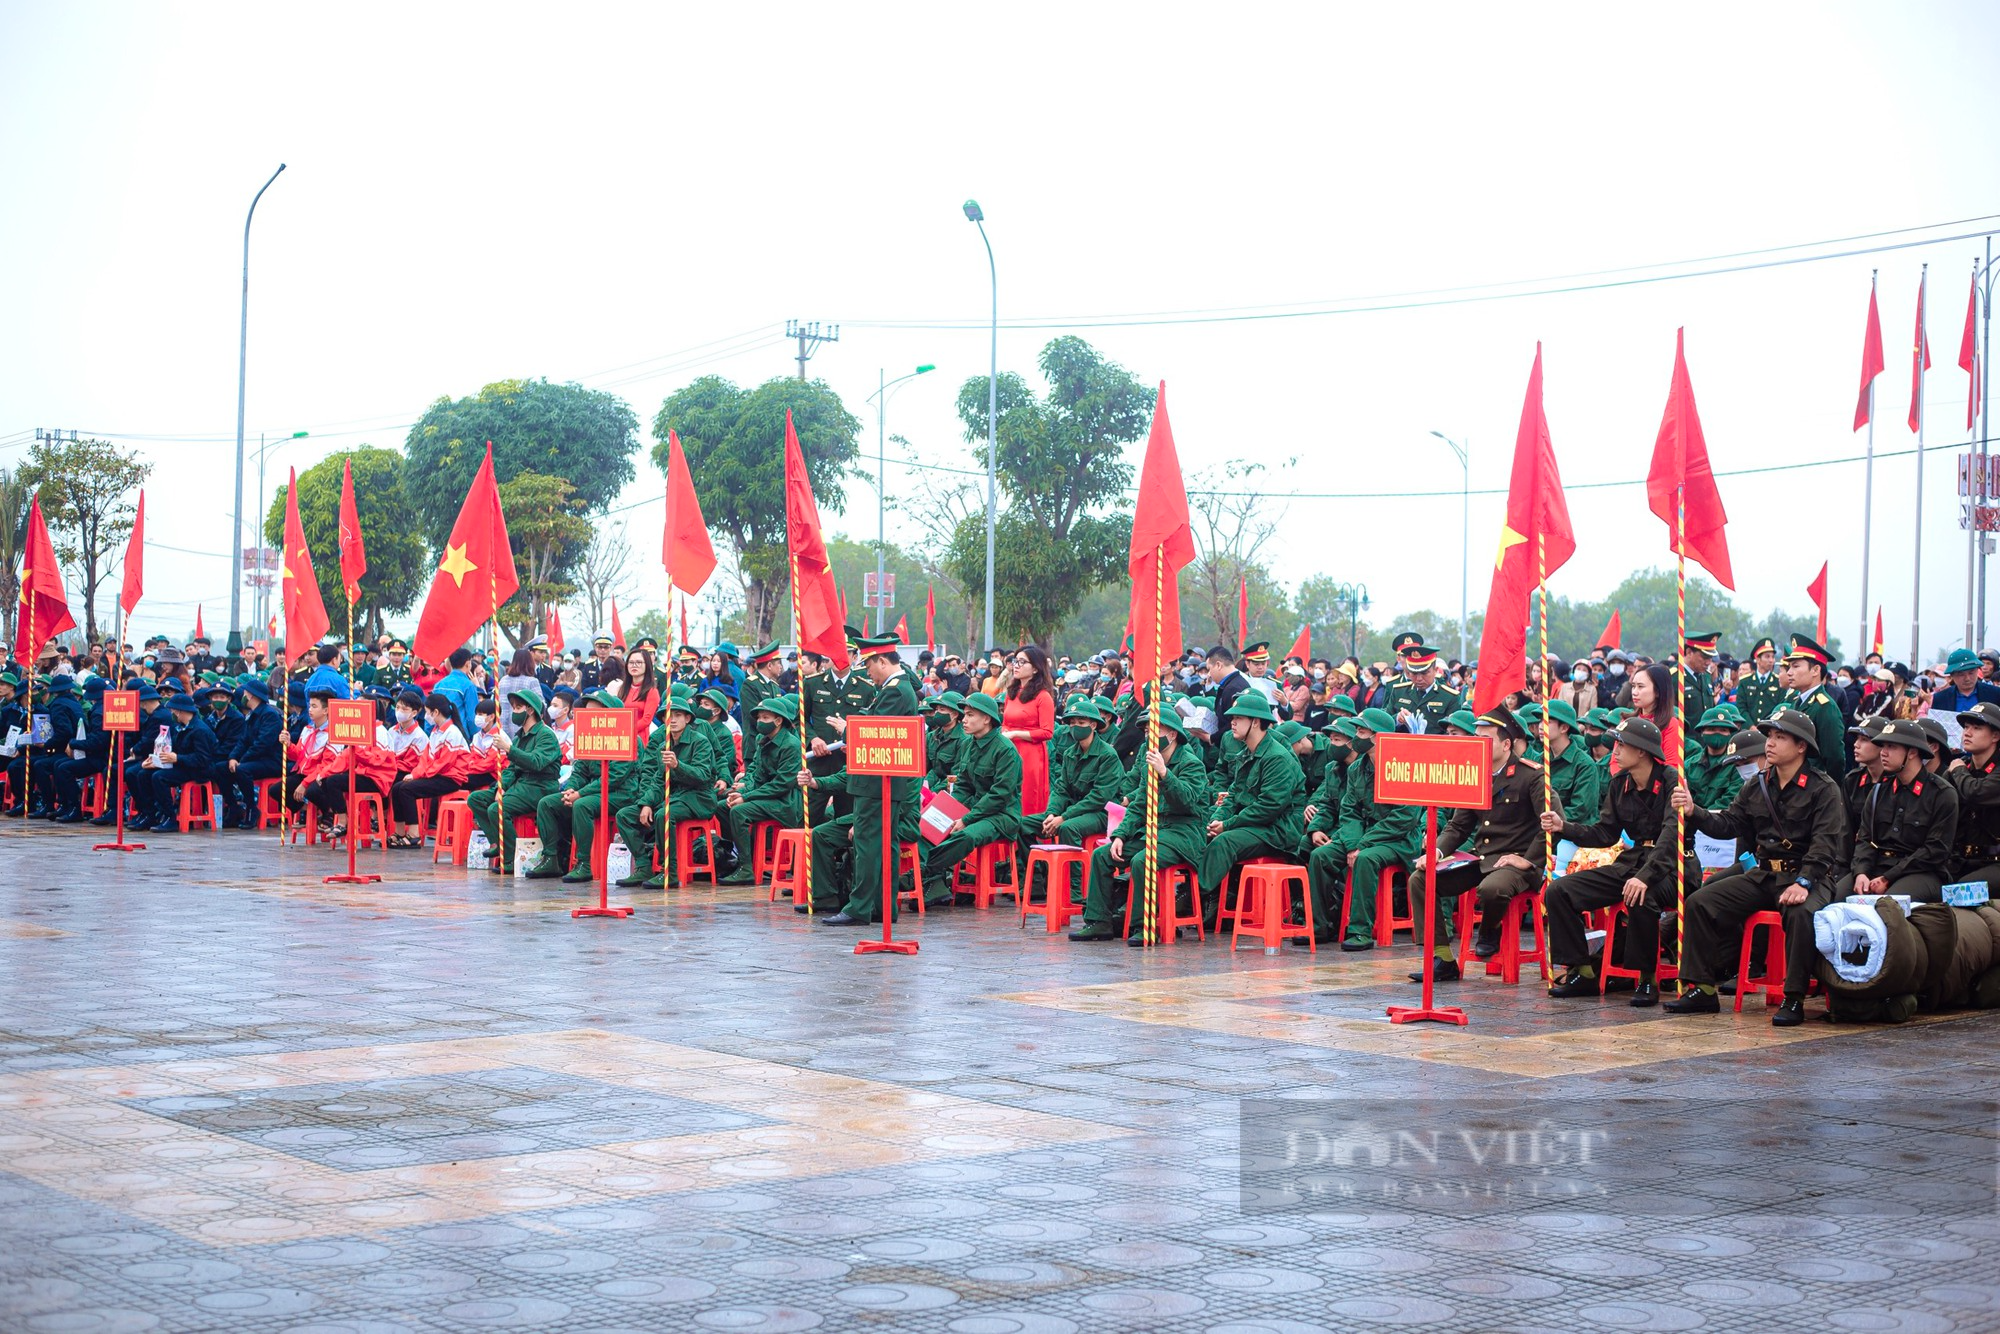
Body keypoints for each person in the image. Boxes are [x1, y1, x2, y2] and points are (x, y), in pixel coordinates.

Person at [1665, 707, 1851, 1026]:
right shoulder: (1757, 785)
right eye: (1770, 737)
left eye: (1780, 738)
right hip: (1765, 874)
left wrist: (1803, 883)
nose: (1770, 744)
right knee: (1700, 902)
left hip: (1808, 876)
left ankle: (1793, 998)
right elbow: (1728, 824)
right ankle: (1703, 989)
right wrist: (1695, 811)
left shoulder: (1823, 788)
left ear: (1801, 746)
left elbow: (1825, 847)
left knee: (1800, 913)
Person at [1542, 716, 1701, 1007]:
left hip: (1674, 865)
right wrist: (1564, 826)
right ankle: (1583, 970)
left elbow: (1671, 837)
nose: (1615, 749)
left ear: (1642, 751)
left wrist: (1645, 876)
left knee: (1641, 895)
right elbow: (1605, 833)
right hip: (1633, 861)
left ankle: (1646, 977)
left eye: (1622, 744)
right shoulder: (1620, 784)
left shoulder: (1671, 781)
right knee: (1559, 891)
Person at [1412, 708, 1556, 978]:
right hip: (1483, 858)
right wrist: (1437, 852)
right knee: (1421, 878)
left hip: (1519, 862)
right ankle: (1442, 957)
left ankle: (1491, 928)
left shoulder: (1532, 775)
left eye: (1485, 738)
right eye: (1475, 736)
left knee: (1492, 889)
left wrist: (1528, 859)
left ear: (1505, 744)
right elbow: (1458, 825)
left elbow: (1551, 824)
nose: (1477, 743)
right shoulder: (1475, 772)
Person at [1069, 708, 1212, 942]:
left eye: (1154, 730)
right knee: (1103, 855)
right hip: (1154, 832)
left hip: (1183, 835)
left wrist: (1165, 774)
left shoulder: (1190, 764)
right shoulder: (1148, 756)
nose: (1148, 736)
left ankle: (1143, 926)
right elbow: (1140, 803)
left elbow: (1186, 802)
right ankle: (1099, 921)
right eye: (1146, 731)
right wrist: (1121, 835)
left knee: (1142, 861)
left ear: (1173, 734)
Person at [818, 636, 924, 925]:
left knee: (867, 844)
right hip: (884, 782)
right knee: (884, 845)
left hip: (876, 782)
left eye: (868, 665)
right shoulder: (899, 688)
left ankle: (859, 907)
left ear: (882, 660)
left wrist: (846, 729)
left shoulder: (895, 691)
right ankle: (881, 906)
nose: (867, 672)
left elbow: (878, 733)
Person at [1197, 692, 1305, 928]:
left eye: (1239, 718)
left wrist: (1228, 824)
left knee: (1225, 841)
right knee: (1203, 832)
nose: (1232, 722)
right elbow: (1234, 794)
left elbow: (1268, 808)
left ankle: (1197, 896)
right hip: (1255, 825)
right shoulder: (1247, 752)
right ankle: (1209, 896)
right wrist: (1217, 820)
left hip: (1278, 830)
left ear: (1255, 722)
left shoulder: (1277, 757)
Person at [913, 691, 1022, 910]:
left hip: (1001, 816)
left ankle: (925, 874)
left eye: (970, 715)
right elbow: (962, 784)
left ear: (987, 719)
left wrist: (966, 818)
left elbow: (999, 795)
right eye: (964, 714)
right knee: (927, 826)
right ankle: (933, 883)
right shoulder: (968, 744)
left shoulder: (1006, 750)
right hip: (973, 809)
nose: (964, 720)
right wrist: (947, 809)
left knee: (964, 835)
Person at [525, 691, 639, 881]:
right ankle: (551, 858)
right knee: (547, 803)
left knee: (582, 805)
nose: (589, 717)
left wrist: (580, 793)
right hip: (592, 791)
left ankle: (584, 863)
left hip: (621, 793)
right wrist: (572, 788)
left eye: (594, 713)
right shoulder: (589, 736)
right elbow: (580, 770)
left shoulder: (627, 737)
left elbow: (614, 777)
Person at [616, 688, 722, 889]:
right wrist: (646, 803)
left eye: (678, 715)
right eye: (667, 716)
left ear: (688, 718)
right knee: (625, 815)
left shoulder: (700, 742)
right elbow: (658, 780)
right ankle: (643, 865)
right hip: (673, 796)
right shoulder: (663, 746)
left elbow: (703, 776)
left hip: (699, 798)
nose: (672, 720)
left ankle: (670, 872)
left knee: (664, 815)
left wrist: (678, 766)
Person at [1845, 718, 1957, 903]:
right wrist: (1861, 872)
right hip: (1877, 867)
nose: (1883, 752)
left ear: (1912, 752)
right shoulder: (1880, 790)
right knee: (1836, 898)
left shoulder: (1942, 793)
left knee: (1888, 905)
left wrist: (1889, 877)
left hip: (1922, 873)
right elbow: (1865, 839)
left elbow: (1935, 851)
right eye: (1882, 746)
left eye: (1891, 746)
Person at [1025, 695, 1125, 872]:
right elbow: (1061, 789)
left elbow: (1099, 797)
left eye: (1081, 722)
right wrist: (1052, 813)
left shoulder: (1107, 755)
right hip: (1073, 810)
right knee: (1023, 825)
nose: (1075, 726)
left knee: (1068, 828)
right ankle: (1039, 879)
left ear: (1093, 725)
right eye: (1072, 722)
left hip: (1102, 813)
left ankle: (1074, 890)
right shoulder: (1070, 753)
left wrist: (1063, 817)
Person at [468, 688, 562, 874]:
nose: (514, 712)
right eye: (512, 707)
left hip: (540, 786)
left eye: (518, 707)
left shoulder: (546, 735)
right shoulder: (520, 736)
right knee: (476, 799)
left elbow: (536, 762)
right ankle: (497, 842)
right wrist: (501, 787)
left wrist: (509, 749)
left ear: (530, 710)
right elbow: (512, 769)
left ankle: (510, 857)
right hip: (521, 785)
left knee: (497, 809)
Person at [718, 694, 806, 886]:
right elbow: (757, 774)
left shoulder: (791, 745)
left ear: (778, 720)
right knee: (722, 806)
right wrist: (742, 792)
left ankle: (747, 868)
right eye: (759, 718)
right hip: (765, 796)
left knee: (739, 811)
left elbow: (782, 785)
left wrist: (746, 797)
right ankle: (739, 855)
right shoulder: (762, 739)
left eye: (765, 718)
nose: (760, 722)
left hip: (785, 802)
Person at [387, 693, 469, 846]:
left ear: (435, 712)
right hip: (439, 774)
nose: (426, 716)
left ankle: (413, 834)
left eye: (427, 712)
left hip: (451, 778)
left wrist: (420, 775)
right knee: (397, 788)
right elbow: (426, 758)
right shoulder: (436, 731)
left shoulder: (452, 732)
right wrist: (415, 773)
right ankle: (399, 832)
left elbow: (445, 763)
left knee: (406, 790)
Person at [135, 693, 220, 833]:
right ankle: (150, 813)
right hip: (183, 765)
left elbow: (203, 759)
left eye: (173, 710)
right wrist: (156, 760)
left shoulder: (200, 730)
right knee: (143, 774)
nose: (171, 714)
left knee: (159, 777)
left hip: (200, 770)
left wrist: (177, 759)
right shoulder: (180, 727)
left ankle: (170, 817)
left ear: (180, 711)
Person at [1776, 634, 1848, 778]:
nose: (1789, 672)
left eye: (1795, 666)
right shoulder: (1797, 701)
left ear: (1815, 670)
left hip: (1813, 787)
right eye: (1789, 667)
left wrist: (1829, 794)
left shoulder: (1826, 707)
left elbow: (1834, 759)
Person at [1947, 700, 2000, 892]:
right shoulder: (1961, 767)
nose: (1967, 733)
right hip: (1961, 860)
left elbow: (1976, 793)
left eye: (1977, 728)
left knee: (1961, 890)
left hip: (1995, 863)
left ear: (1995, 736)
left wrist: (1959, 772)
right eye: (1966, 727)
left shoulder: (1959, 769)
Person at [219, 677, 284, 829]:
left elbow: (263, 744)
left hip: (271, 761)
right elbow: (243, 740)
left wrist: (242, 760)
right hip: (254, 759)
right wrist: (233, 757)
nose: (244, 696)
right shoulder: (252, 715)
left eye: (246, 692)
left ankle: (251, 808)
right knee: (220, 768)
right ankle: (234, 807)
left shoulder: (269, 715)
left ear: (252, 695)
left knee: (242, 770)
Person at [1002, 645, 1056, 818]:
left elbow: (1047, 732)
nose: (1016, 665)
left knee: (1027, 797)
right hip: (1009, 749)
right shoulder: (1011, 693)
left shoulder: (1043, 696)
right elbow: (1005, 723)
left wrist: (1017, 734)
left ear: (1035, 668)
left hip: (1030, 754)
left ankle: (1028, 838)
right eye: (1015, 661)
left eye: (1022, 662)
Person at [1384, 641, 1460, 733]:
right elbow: (1385, 725)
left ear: (1435, 670)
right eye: (1414, 673)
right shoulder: (1398, 691)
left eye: (1424, 673)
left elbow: (1453, 732)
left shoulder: (1450, 697)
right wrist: (1397, 719)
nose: (1419, 679)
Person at [494, 648, 544, 736]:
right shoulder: (532, 681)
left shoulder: (503, 681)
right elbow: (540, 705)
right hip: (524, 729)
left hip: (503, 727)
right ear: (530, 663)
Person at [1932, 647, 2000, 712]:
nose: (1967, 678)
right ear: (1952, 675)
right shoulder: (1940, 698)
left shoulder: (1995, 694)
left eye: (1971, 673)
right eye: (1961, 674)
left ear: (1977, 670)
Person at [924, 692, 967, 792]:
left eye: (942, 710)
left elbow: (956, 775)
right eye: (937, 710)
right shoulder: (931, 736)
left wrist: (934, 791)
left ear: (955, 714)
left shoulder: (963, 740)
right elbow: (926, 768)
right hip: (930, 784)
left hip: (950, 790)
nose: (937, 713)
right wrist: (924, 788)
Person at [739, 642, 786, 721]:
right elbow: (753, 715)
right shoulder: (750, 684)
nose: (781, 667)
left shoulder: (774, 685)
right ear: (769, 666)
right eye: (778, 663)